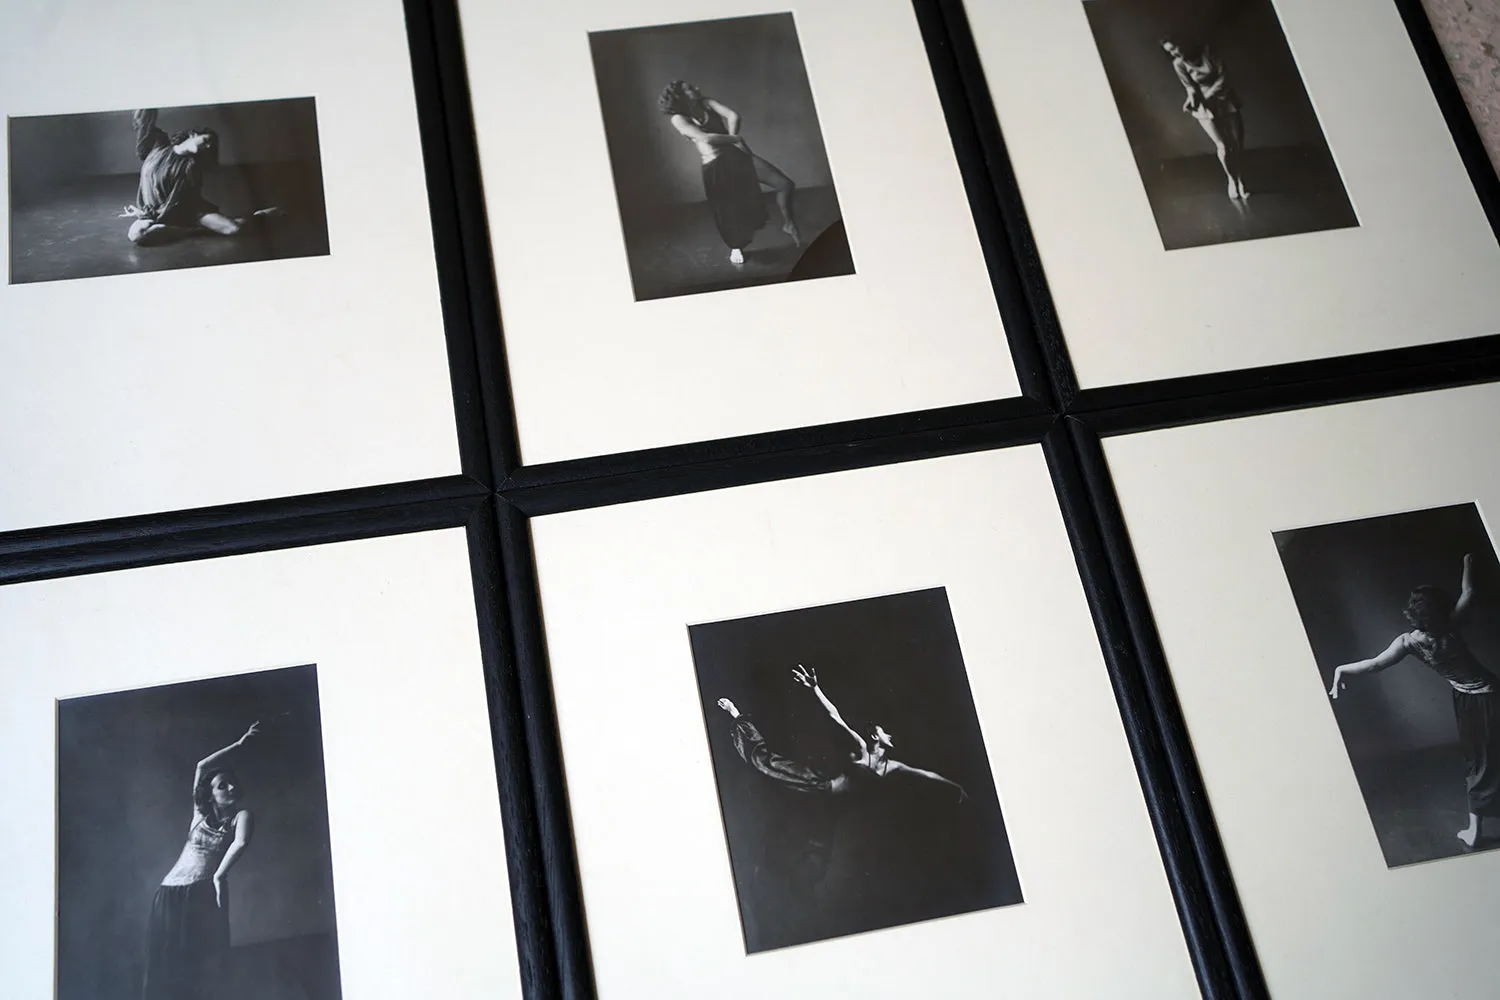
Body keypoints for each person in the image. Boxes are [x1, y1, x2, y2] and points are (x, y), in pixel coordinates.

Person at [1329, 554, 1500, 848]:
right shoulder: (1452, 625)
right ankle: (1475, 830)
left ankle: (1474, 832)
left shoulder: (1409, 642)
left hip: (1475, 701)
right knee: (1485, 762)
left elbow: (1374, 665)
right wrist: (1469, 563)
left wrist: (1340, 670)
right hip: (1487, 695)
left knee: (1480, 764)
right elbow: (1470, 591)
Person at [714, 665, 966, 801]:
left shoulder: (893, 766)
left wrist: (955, 787)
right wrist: (815, 688)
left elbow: (927, 774)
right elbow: (835, 716)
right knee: (766, 764)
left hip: (838, 810)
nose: (891, 735)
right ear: (875, 736)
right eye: (885, 731)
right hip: (816, 784)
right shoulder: (859, 745)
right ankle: (737, 715)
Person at [141, 722, 259, 1000]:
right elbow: (201, 766)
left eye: (232, 783)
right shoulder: (198, 815)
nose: (230, 787)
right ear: (211, 794)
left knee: (202, 962)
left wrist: (219, 875)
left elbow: (241, 842)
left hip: (202, 892)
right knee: (167, 961)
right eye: (222, 785)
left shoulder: (242, 816)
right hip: (168, 893)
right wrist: (240, 744)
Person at [657, 80, 799, 265]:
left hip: (736, 155)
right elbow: (704, 137)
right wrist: (734, 138)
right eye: (690, 89)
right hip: (716, 166)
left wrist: (733, 140)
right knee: (729, 212)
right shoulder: (678, 118)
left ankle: (788, 224)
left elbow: (734, 116)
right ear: (680, 97)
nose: (697, 88)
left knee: (784, 184)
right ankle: (735, 247)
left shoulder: (706, 103)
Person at [122, 109, 281, 246]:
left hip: (187, 208)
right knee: (135, 234)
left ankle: (262, 216)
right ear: (192, 135)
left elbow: (178, 200)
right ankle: (188, 230)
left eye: (208, 146)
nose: (207, 145)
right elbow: (143, 121)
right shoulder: (159, 145)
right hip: (158, 210)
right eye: (205, 140)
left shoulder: (189, 167)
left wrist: (158, 218)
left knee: (234, 229)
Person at [1160, 37, 1248, 202]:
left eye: (1176, 47)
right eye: (1170, 51)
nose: (1175, 53)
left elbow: (1224, 78)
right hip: (1206, 107)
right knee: (1223, 145)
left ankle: (1242, 181)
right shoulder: (1178, 64)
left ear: (1183, 43)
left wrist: (1206, 96)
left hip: (1226, 99)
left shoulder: (1207, 52)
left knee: (1237, 144)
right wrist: (1191, 100)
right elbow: (1190, 87)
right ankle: (1232, 181)